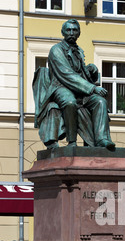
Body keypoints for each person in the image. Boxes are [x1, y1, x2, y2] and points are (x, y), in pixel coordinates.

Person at [32, 18, 115, 150]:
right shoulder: (56, 50)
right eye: (68, 30)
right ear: (63, 32)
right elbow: (66, 74)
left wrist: (90, 70)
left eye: (74, 30)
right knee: (70, 103)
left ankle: (101, 139)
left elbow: (79, 73)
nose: (71, 32)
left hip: (80, 90)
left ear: (79, 33)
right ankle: (72, 142)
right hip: (60, 87)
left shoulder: (79, 51)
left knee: (100, 102)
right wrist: (92, 88)